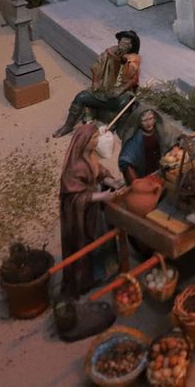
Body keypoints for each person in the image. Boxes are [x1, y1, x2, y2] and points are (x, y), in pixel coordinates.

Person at [59, 121, 123, 297]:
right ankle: (88, 278)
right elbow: (74, 198)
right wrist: (102, 196)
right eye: (94, 137)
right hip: (83, 213)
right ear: (85, 141)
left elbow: (99, 172)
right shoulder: (75, 167)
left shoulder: (92, 156)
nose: (97, 140)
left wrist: (113, 182)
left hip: (96, 209)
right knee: (88, 241)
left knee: (103, 237)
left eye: (96, 136)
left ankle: (105, 272)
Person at [53, 30, 141, 137]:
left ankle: (120, 129)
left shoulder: (132, 61)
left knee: (124, 104)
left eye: (126, 44)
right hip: (103, 90)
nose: (122, 46)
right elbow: (96, 69)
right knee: (81, 97)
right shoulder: (108, 54)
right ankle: (68, 125)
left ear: (131, 47)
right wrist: (95, 82)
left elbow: (134, 80)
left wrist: (122, 89)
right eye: (122, 43)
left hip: (119, 95)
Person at [117, 107, 180, 183]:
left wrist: (174, 148)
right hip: (144, 173)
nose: (149, 123)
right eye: (145, 120)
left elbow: (172, 140)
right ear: (139, 122)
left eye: (151, 119)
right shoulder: (135, 138)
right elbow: (126, 160)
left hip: (159, 169)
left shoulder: (159, 129)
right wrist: (137, 183)